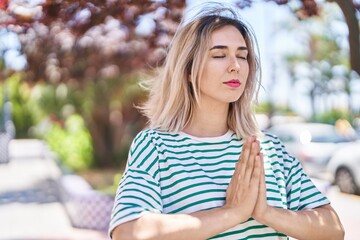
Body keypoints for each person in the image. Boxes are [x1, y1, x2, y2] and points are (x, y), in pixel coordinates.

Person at [109, 4, 344, 240]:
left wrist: (266, 213)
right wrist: (231, 212)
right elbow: (129, 232)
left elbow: (333, 230)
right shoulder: (155, 146)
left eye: (242, 56)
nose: (236, 66)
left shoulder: (269, 148)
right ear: (188, 70)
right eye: (219, 55)